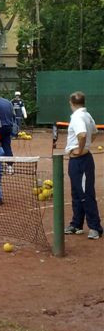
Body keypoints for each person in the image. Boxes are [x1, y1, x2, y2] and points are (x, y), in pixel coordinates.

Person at [63, 91, 102, 240]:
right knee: (77, 193)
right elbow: (95, 132)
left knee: (86, 194)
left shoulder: (78, 117)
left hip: (80, 160)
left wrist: (80, 150)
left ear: (71, 102)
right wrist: (86, 146)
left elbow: (83, 134)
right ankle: (76, 225)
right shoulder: (87, 115)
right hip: (79, 160)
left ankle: (95, 228)